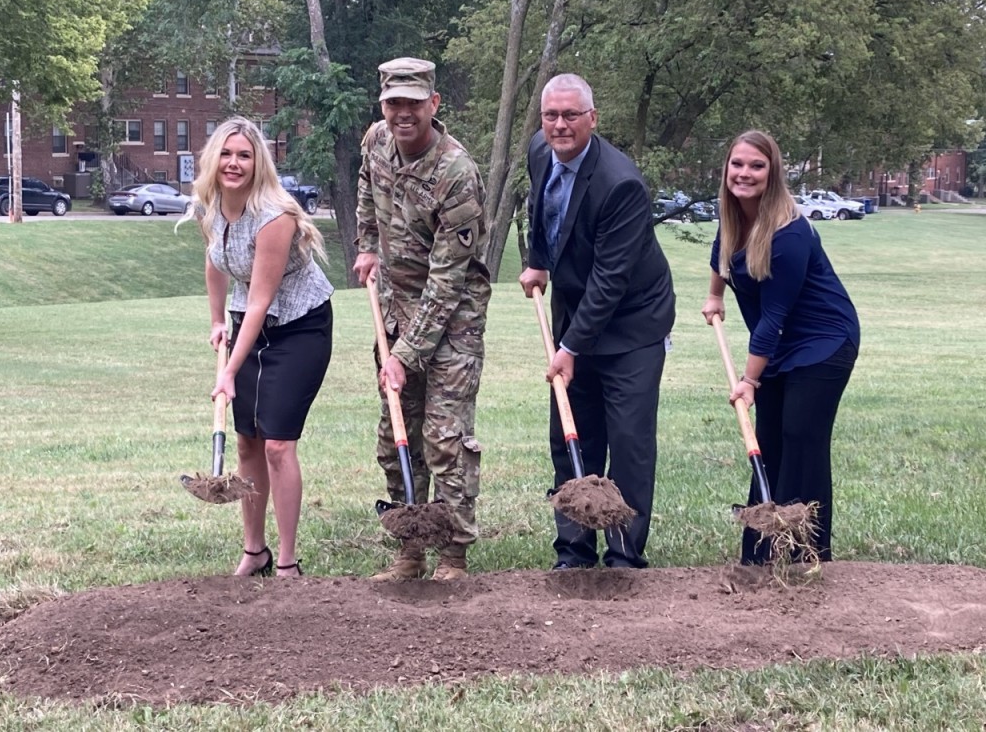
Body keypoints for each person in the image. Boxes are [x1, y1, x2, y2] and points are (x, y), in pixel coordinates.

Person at [517, 73, 676, 570]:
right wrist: (539, 259)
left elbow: (610, 281)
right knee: (572, 438)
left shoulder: (621, 183)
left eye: (570, 115)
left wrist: (570, 350)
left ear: (593, 119)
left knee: (627, 441)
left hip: (632, 324)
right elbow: (541, 209)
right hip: (574, 314)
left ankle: (625, 555)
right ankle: (574, 551)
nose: (559, 126)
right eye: (551, 115)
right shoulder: (540, 151)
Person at [353, 57, 490, 582]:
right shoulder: (375, 141)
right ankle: (409, 550)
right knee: (396, 433)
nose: (403, 113)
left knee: (443, 437)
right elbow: (367, 188)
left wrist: (406, 356)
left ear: (434, 104)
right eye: (394, 103)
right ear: (383, 104)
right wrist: (367, 244)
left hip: (452, 317)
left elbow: (447, 281)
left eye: (414, 103)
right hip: (393, 305)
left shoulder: (457, 173)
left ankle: (453, 554)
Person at [185, 116, 334, 579]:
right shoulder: (209, 207)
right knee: (248, 440)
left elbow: (262, 299)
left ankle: (287, 560)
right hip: (246, 320)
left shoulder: (275, 216)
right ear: (214, 159)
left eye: (244, 155)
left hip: (298, 327)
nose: (234, 163)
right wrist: (215, 320)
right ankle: (255, 552)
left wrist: (228, 370)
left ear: (258, 162)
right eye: (227, 154)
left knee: (277, 445)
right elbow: (216, 263)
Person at [701, 129, 859, 564]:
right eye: (737, 164)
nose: (744, 174)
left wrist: (749, 380)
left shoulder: (789, 234)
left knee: (799, 437)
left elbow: (773, 319)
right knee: (767, 440)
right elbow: (721, 252)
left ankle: (806, 553)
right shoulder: (733, 215)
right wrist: (715, 295)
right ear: (726, 169)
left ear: (773, 174)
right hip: (780, 346)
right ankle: (759, 556)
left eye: (756, 166)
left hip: (823, 342)